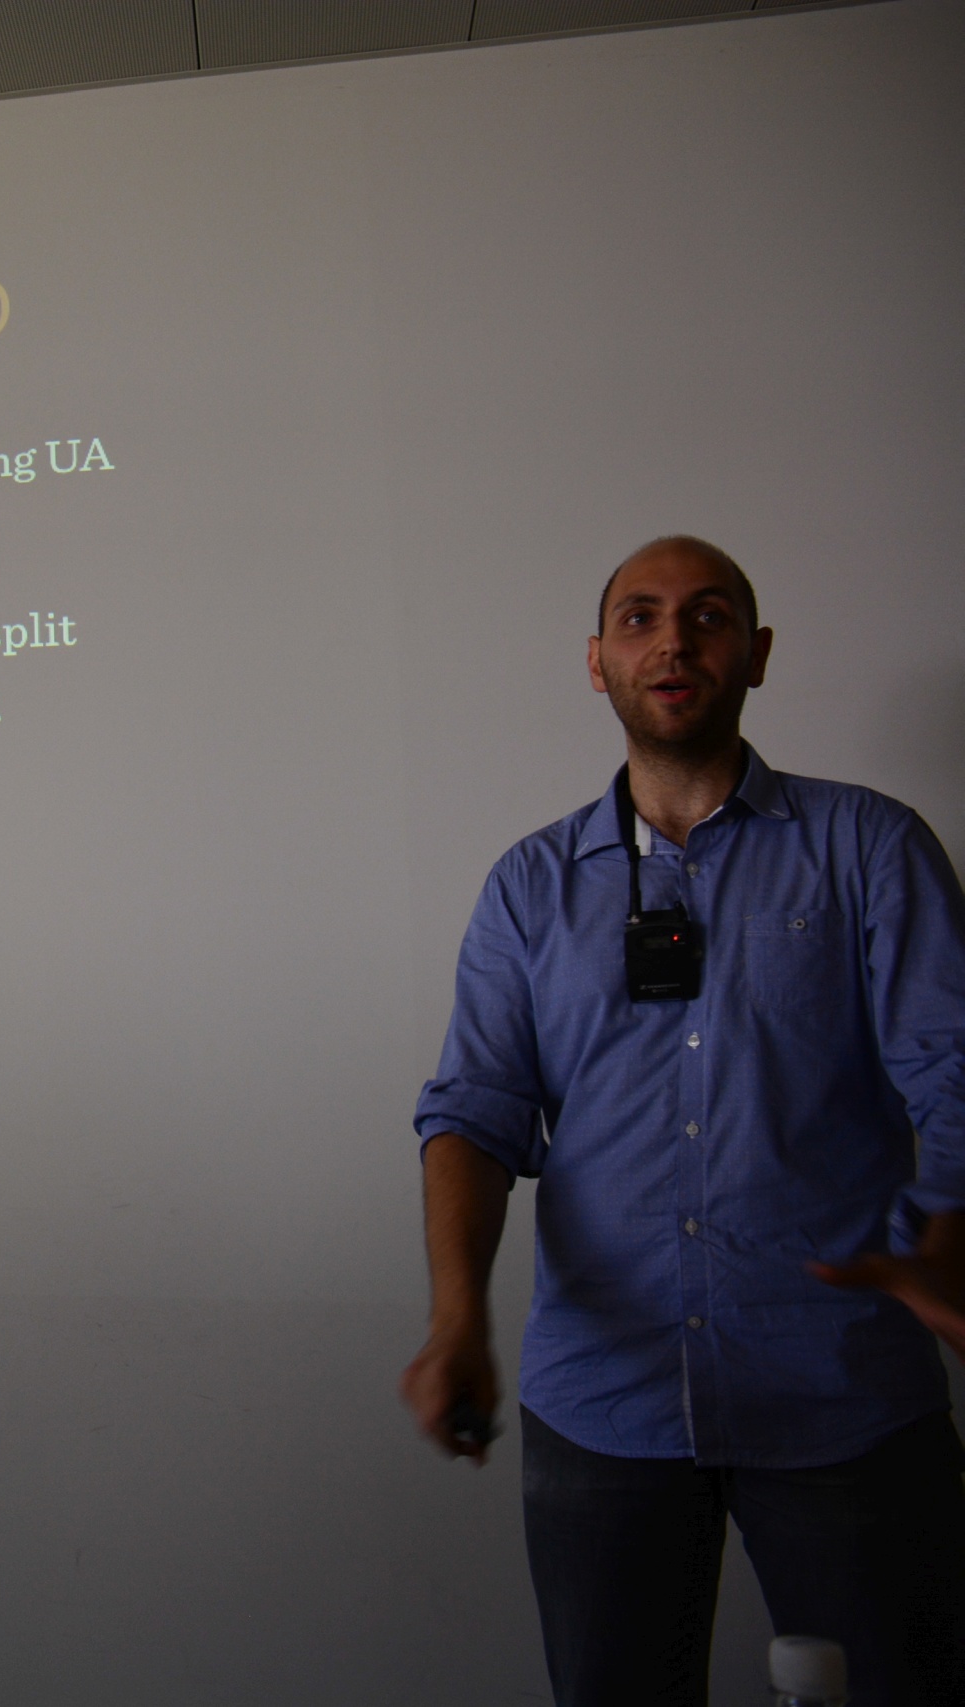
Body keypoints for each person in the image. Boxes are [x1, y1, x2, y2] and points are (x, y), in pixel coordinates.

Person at [401, 536, 965, 1706]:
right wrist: (456, 1316)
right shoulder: (529, 886)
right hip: (604, 1401)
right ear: (596, 663)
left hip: (842, 1393)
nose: (672, 641)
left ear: (755, 655)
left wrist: (944, 1230)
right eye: (639, 617)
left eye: (707, 617)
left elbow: (953, 1070)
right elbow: (474, 1112)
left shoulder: (869, 847)